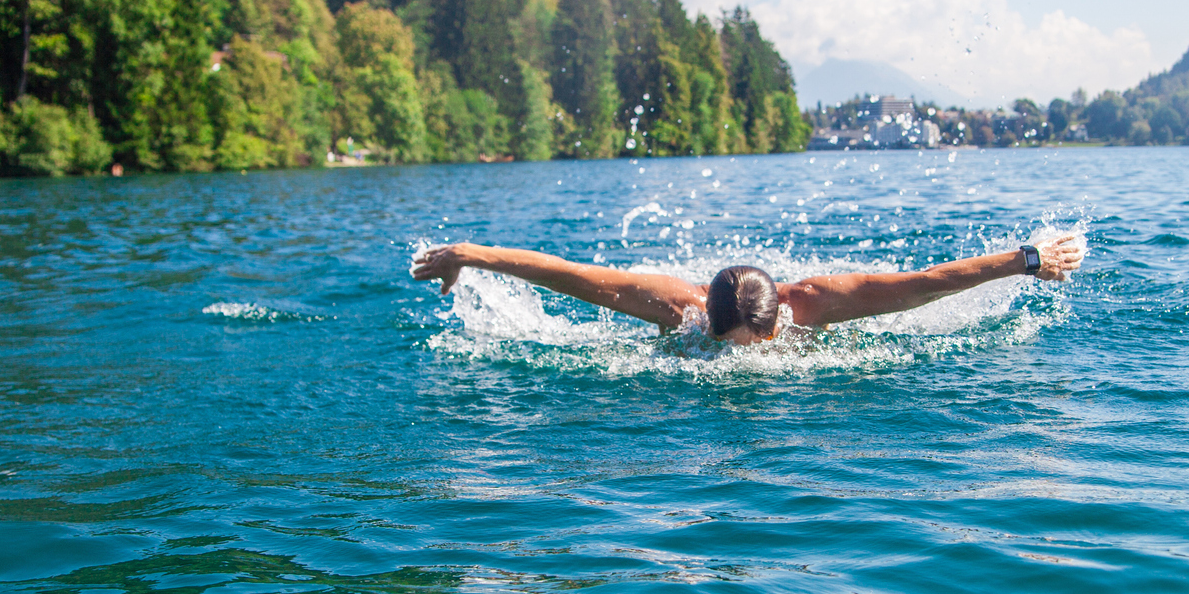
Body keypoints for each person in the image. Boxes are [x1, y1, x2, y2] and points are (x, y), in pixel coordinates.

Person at [409, 232, 1087, 345]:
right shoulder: (679, 310)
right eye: (722, 345)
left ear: (777, 326)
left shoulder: (818, 304)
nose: (735, 363)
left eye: (747, 348)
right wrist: (471, 255)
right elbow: (573, 276)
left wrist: (1027, 259)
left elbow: (923, 285)